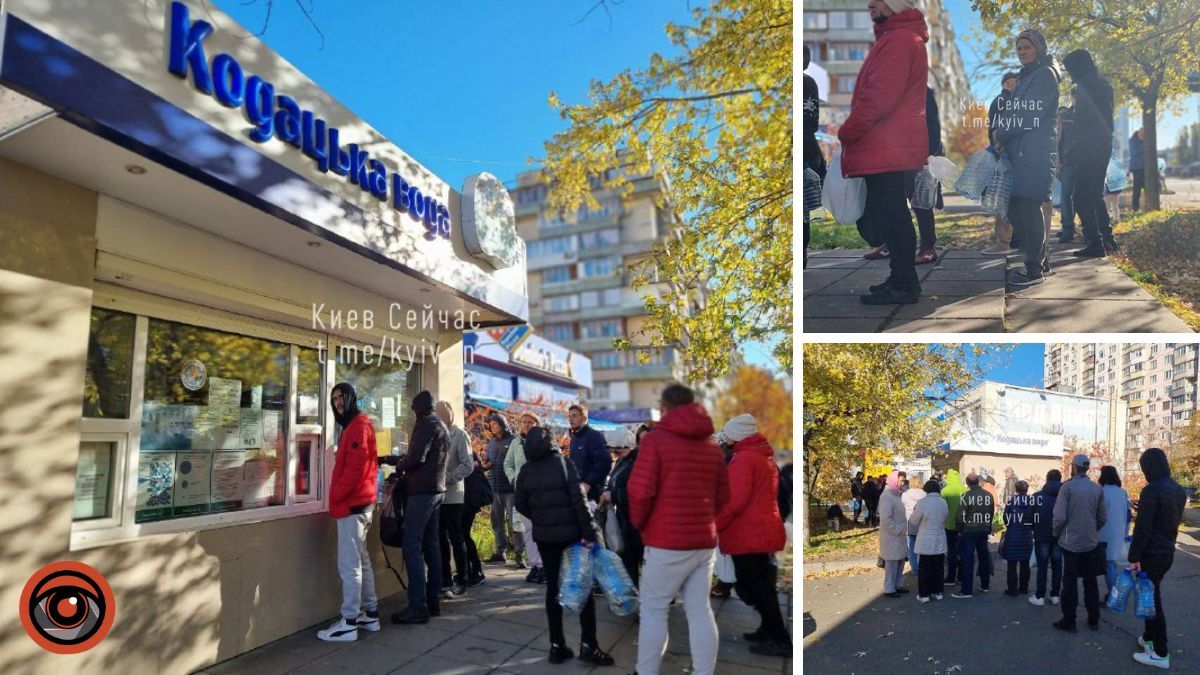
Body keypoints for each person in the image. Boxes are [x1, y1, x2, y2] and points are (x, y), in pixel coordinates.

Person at [628, 384, 731, 674]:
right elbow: (725, 496)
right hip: (703, 542)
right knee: (700, 610)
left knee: (654, 610)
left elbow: (640, 491)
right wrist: (704, 521)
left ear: (664, 408)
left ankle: (647, 671)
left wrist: (641, 524)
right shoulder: (711, 445)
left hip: (666, 541)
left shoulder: (656, 441)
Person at [838, 0, 929, 306]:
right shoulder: (897, 38)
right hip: (888, 143)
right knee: (893, 216)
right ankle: (900, 278)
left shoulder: (900, 40)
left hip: (886, 142)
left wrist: (847, 130)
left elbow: (879, 98)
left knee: (893, 217)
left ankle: (904, 285)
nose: (870, 3)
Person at [513, 427, 616, 667]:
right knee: (584, 588)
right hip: (572, 536)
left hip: (546, 538)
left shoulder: (526, 471)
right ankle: (589, 645)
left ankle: (556, 645)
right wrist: (590, 534)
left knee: (552, 590)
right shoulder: (563, 464)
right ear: (552, 444)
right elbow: (579, 501)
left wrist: (541, 518)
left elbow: (521, 504)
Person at [714, 415, 790, 656]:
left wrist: (714, 524)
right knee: (761, 588)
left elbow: (733, 501)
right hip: (757, 532)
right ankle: (768, 630)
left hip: (748, 534)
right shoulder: (760, 457)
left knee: (758, 589)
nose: (724, 439)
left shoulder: (745, 460)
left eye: (727, 435)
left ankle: (779, 639)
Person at [994, 29, 1059, 287]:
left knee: (1027, 207)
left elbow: (1028, 116)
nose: (1021, 52)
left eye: (1026, 47)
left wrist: (1001, 131)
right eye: (1018, 48)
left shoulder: (1044, 75)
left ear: (1039, 48)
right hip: (1022, 152)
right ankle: (1039, 262)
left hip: (1035, 153)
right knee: (1016, 208)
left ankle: (1034, 270)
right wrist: (1002, 138)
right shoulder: (1028, 76)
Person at [317, 383, 381, 642]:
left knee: (349, 565)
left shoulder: (357, 426)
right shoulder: (357, 425)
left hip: (352, 506)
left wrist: (335, 495)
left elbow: (355, 469)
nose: (338, 402)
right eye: (334, 399)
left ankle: (349, 622)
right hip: (361, 504)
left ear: (351, 398)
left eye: (341, 397)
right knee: (361, 562)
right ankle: (371, 613)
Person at [385, 391, 449, 625]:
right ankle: (433, 601)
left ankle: (416, 605)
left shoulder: (425, 424)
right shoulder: (440, 424)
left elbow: (416, 458)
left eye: (413, 407)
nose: (412, 411)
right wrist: (391, 459)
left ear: (419, 407)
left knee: (411, 545)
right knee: (432, 546)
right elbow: (422, 455)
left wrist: (399, 466)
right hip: (437, 491)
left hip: (422, 493)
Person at [1128, 447, 1188, 670]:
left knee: (1152, 601)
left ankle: (1160, 652)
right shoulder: (1177, 489)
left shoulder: (1152, 490)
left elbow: (1143, 528)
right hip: (1167, 552)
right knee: (1151, 595)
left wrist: (1134, 556)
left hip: (1151, 555)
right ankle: (1148, 637)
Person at [1063, 49, 1118, 257]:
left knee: (1080, 197)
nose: (1069, 74)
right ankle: (1107, 239)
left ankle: (1095, 242)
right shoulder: (1103, 85)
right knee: (1095, 195)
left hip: (1088, 148)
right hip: (1103, 145)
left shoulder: (1085, 87)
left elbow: (1084, 122)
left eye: (1069, 69)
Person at [1051, 454, 1107, 633]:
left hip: (1070, 543)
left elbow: (1059, 517)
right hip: (1090, 542)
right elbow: (1102, 517)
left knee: (1070, 583)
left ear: (1073, 467)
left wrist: (1056, 534)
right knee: (1090, 582)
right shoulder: (1097, 489)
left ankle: (1069, 620)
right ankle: (1093, 619)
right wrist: (1092, 530)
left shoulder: (1067, 488)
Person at [436, 401, 475, 598]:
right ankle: (445, 578)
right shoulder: (437, 433)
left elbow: (468, 465)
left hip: (453, 496)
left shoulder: (460, 435)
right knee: (440, 538)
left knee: (456, 537)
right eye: (439, 413)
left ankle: (462, 578)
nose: (442, 417)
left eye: (445, 413)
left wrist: (448, 478)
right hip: (438, 496)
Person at [601, 425, 645, 587]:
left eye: (614, 449)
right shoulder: (623, 461)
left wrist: (612, 495)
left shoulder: (636, 462)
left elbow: (638, 493)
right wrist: (607, 492)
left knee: (639, 558)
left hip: (635, 521)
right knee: (629, 559)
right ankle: (633, 594)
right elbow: (613, 482)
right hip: (625, 519)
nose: (613, 453)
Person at [983, 72, 1020, 255]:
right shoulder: (1002, 100)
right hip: (1005, 156)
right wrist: (1000, 148)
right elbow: (997, 129)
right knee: (1003, 199)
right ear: (1007, 83)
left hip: (1008, 156)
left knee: (1009, 199)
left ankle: (1008, 241)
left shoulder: (1010, 100)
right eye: (1016, 82)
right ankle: (1003, 242)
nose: (1018, 85)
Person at [505, 413, 544, 582]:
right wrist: (514, 478)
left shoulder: (543, 441)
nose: (527, 425)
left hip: (540, 491)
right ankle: (535, 564)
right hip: (522, 491)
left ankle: (544, 565)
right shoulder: (516, 443)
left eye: (530, 422)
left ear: (537, 424)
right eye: (524, 422)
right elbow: (508, 464)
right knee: (527, 530)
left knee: (540, 529)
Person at [483, 415, 524, 566]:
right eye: (491, 424)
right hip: (494, 488)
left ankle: (520, 554)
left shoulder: (514, 440)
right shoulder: (491, 442)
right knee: (496, 522)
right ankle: (500, 552)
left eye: (495, 424)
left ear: (503, 424)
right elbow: (488, 460)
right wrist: (485, 463)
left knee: (515, 522)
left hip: (510, 489)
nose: (492, 427)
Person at [912, 86, 943, 265]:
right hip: (893, 153)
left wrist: (928, 154)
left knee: (921, 203)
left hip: (918, 155)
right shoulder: (890, 85)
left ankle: (928, 247)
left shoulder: (923, 90)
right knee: (891, 203)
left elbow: (933, 126)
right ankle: (889, 244)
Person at [802, 45, 827, 269]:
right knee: (807, 204)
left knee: (805, 204)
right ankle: (802, 252)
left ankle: (802, 252)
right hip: (808, 146)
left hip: (804, 147)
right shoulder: (809, 83)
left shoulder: (805, 83)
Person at [952, 473, 994, 598]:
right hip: (984, 529)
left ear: (968, 483)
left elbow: (960, 516)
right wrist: (988, 526)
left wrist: (959, 529)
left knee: (968, 559)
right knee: (983, 556)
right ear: (978, 482)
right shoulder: (988, 496)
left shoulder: (967, 496)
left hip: (970, 530)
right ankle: (985, 585)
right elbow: (991, 513)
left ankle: (966, 590)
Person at [909, 479, 948, 602]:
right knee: (938, 567)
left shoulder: (922, 503)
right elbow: (945, 518)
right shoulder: (943, 502)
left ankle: (924, 594)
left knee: (925, 568)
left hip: (925, 538)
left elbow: (914, 521)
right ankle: (938, 592)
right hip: (939, 537)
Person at [1030, 469, 1064, 606]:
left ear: (1047, 479)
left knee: (1042, 566)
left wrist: (1034, 529)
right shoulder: (1065, 495)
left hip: (1041, 535)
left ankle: (1039, 596)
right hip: (1059, 536)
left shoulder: (1037, 496)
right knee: (1057, 566)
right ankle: (1055, 595)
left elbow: (1030, 516)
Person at [568, 404, 613, 504]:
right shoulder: (574, 438)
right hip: (578, 492)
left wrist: (588, 483)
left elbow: (605, 463)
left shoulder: (595, 436)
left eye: (574, 416)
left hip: (593, 493)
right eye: (569, 416)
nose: (571, 419)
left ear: (583, 418)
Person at [1097, 465, 1130, 600]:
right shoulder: (1122, 492)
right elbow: (1128, 514)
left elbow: (1098, 514)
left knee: (1109, 565)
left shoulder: (1101, 492)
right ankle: (1115, 593)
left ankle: (1114, 595)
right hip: (1119, 531)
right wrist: (1126, 532)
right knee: (1112, 564)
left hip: (1104, 532)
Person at [461, 451, 492, 587]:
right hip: (468, 499)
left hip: (468, 499)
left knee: (463, 535)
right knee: (463, 535)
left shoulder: (464, 452)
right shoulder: (467, 453)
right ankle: (473, 570)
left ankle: (475, 571)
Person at [1001, 481, 1035, 596]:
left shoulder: (1011, 502)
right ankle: (1024, 588)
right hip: (1026, 536)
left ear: (1016, 489)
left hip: (1013, 536)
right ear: (1027, 489)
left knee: (1012, 565)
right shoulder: (1032, 502)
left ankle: (1012, 589)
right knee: (1025, 564)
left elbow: (1006, 519)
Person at [879, 471, 910, 597]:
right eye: (901, 480)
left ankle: (898, 585)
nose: (903, 483)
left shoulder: (896, 494)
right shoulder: (887, 495)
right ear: (894, 480)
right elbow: (886, 518)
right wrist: (896, 530)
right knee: (891, 564)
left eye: (903, 481)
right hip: (891, 536)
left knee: (900, 561)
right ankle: (889, 589)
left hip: (899, 535)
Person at [1057, 94, 1081, 243]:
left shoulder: (1088, 115)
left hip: (1084, 161)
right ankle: (1067, 229)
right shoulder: (1064, 115)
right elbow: (1058, 139)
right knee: (1066, 196)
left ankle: (1085, 228)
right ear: (1072, 97)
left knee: (1081, 197)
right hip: (1068, 161)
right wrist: (1058, 161)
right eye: (1075, 96)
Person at [941, 469, 965, 586]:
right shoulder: (965, 489)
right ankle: (961, 577)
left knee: (951, 552)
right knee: (962, 551)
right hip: (963, 525)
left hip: (950, 525)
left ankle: (951, 577)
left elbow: (943, 508)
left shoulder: (945, 491)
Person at [901, 476, 926, 576]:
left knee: (911, 546)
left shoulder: (905, 494)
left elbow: (902, 508)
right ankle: (921, 566)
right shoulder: (925, 494)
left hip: (909, 522)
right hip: (922, 524)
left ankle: (914, 568)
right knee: (922, 547)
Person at [1129, 128, 1146, 211]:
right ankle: (1135, 208)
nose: (1143, 135)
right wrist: (1144, 144)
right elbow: (1135, 151)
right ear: (1138, 133)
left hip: (1145, 168)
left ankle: (1146, 207)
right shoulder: (1132, 141)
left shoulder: (1143, 141)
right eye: (1142, 134)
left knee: (1147, 188)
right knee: (1137, 189)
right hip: (1137, 168)